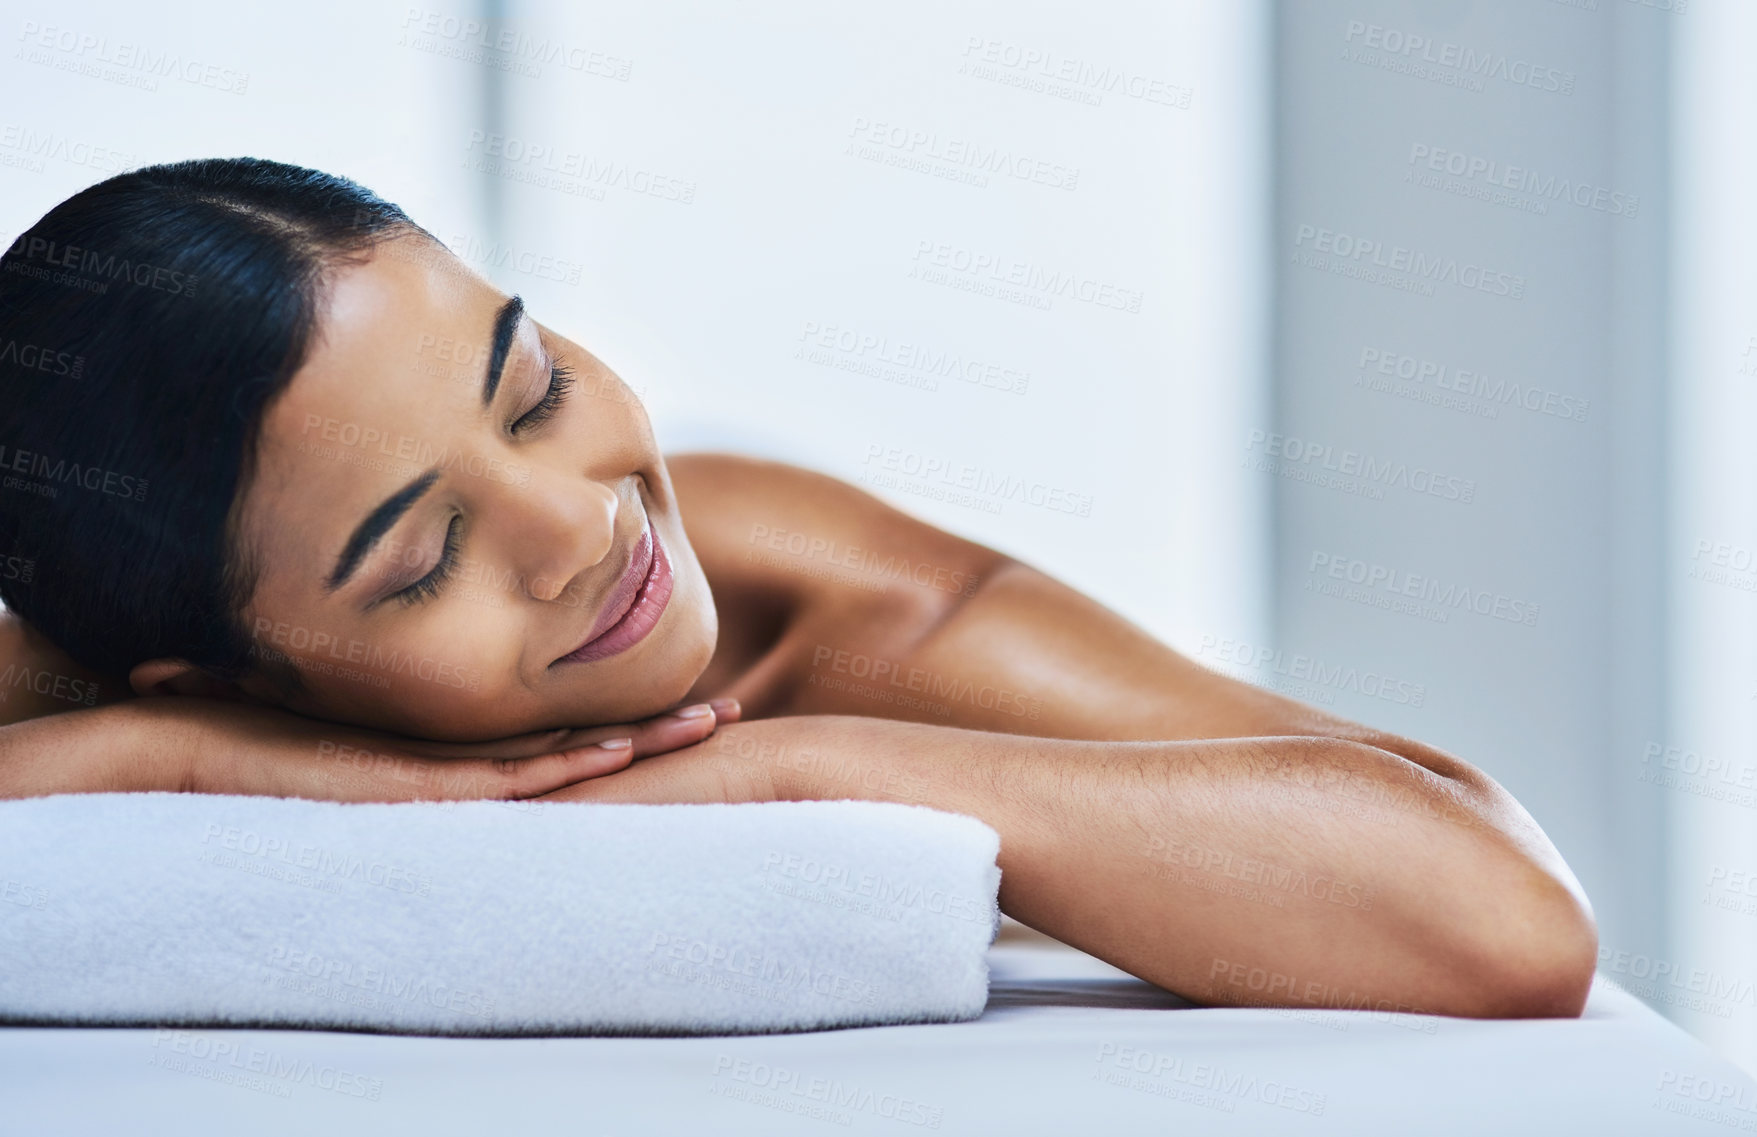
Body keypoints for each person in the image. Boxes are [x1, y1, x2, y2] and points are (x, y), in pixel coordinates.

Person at [0, 158, 1597, 1020]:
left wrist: (790, 767)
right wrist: (192, 762)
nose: (581, 524)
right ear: (227, 670)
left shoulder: (824, 607)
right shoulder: (121, 652)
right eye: (421, 559)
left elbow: (1499, 916)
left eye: (535, 386)